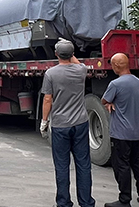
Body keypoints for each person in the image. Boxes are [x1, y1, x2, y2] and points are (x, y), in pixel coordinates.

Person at [40, 38, 95, 207]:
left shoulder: (51, 74)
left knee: (62, 165)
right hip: (80, 123)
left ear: (56, 54)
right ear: (72, 54)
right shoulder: (81, 70)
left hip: (60, 125)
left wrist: (44, 121)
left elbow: (48, 99)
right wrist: (70, 50)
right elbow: (77, 62)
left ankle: (63, 203)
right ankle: (86, 202)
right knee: (83, 164)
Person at [101, 52, 139, 207]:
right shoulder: (137, 81)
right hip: (136, 132)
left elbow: (104, 100)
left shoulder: (115, 84)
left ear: (116, 65)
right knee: (138, 165)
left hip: (120, 133)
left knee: (121, 166)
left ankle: (124, 200)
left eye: (112, 65)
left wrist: (110, 102)